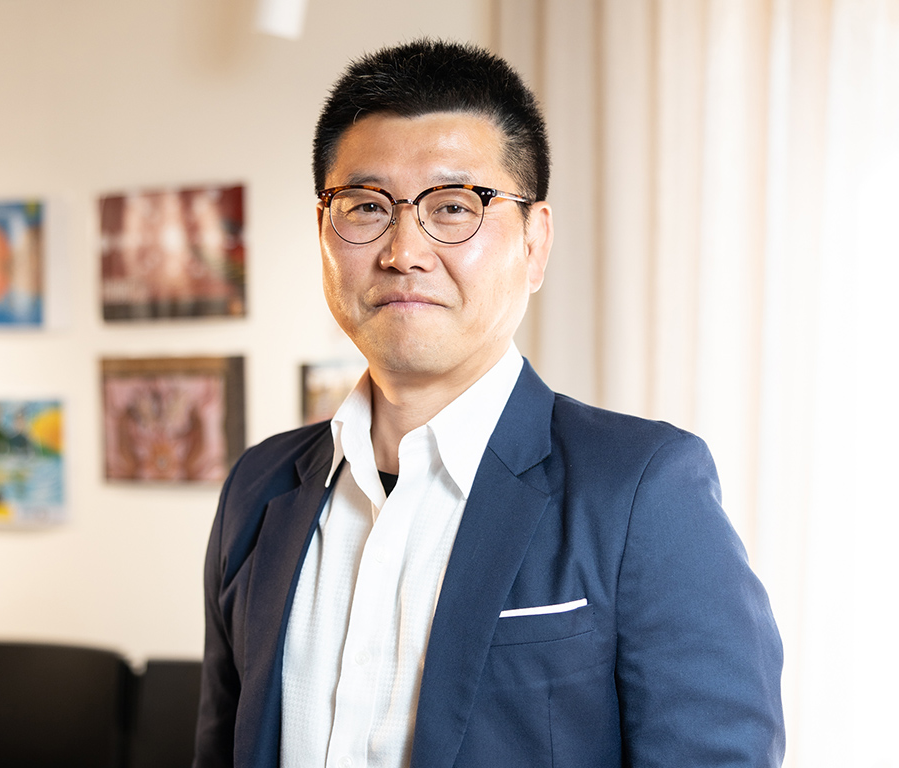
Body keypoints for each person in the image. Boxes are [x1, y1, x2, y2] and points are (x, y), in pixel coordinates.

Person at [194, 39, 785, 768]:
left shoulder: (642, 488)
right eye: (365, 207)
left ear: (535, 243)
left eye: (453, 207)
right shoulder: (258, 486)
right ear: (324, 231)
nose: (403, 250)